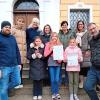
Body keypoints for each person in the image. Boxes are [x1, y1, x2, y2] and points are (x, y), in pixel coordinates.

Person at [0, 21, 21, 100]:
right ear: (2, 28)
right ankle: (3, 89)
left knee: (17, 82)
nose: (8, 29)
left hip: (15, 65)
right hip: (4, 67)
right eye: (6, 27)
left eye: (9, 27)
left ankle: (3, 88)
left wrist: (19, 63)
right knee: (3, 89)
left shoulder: (12, 37)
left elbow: (17, 50)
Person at [84, 23, 100, 100]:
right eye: (90, 30)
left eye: (94, 28)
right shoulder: (91, 41)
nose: (93, 30)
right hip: (93, 68)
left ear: (97, 27)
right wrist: (89, 51)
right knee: (87, 87)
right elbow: (92, 49)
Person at [44, 32, 62, 100]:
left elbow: (61, 55)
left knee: (57, 79)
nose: (54, 37)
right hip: (51, 63)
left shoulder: (60, 44)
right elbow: (45, 54)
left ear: (57, 37)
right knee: (52, 79)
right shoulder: (48, 44)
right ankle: (53, 93)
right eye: (53, 36)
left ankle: (57, 93)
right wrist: (51, 50)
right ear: (51, 37)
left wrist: (59, 59)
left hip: (57, 63)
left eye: (56, 36)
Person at [75, 20, 91, 88]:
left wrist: (88, 49)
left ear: (83, 25)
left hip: (86, 52)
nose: (80, 25)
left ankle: (86, 82)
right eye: (79, 24)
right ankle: (81, 82)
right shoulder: (76, 33)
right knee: (80, 68)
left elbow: (90, 41)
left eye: (81, 24)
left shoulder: (87, 33)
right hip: (78, 52)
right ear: (77, 26)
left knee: (86, 67)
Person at [58, 21, 75, 86]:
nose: (64, 26)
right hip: (60, 53)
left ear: (67, 26)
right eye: (63, 25)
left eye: (65, 25)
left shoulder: (71, 34)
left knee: (67, 68)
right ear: (61, 26)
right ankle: (59, 82)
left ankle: (66, 82)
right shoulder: (59, 34)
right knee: (59, 68)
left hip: (68, 53)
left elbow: (73, 42)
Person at [12, 17, 27, 89]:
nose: (21, 23)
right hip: (15, 53)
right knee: (15, 69)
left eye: (22, 21)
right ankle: (15, 83)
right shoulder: (13, 30)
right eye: (19, 21)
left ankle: (20, 82)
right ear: (16, 21)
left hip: (23, 53)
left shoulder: (23, 31)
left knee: (20, 68)